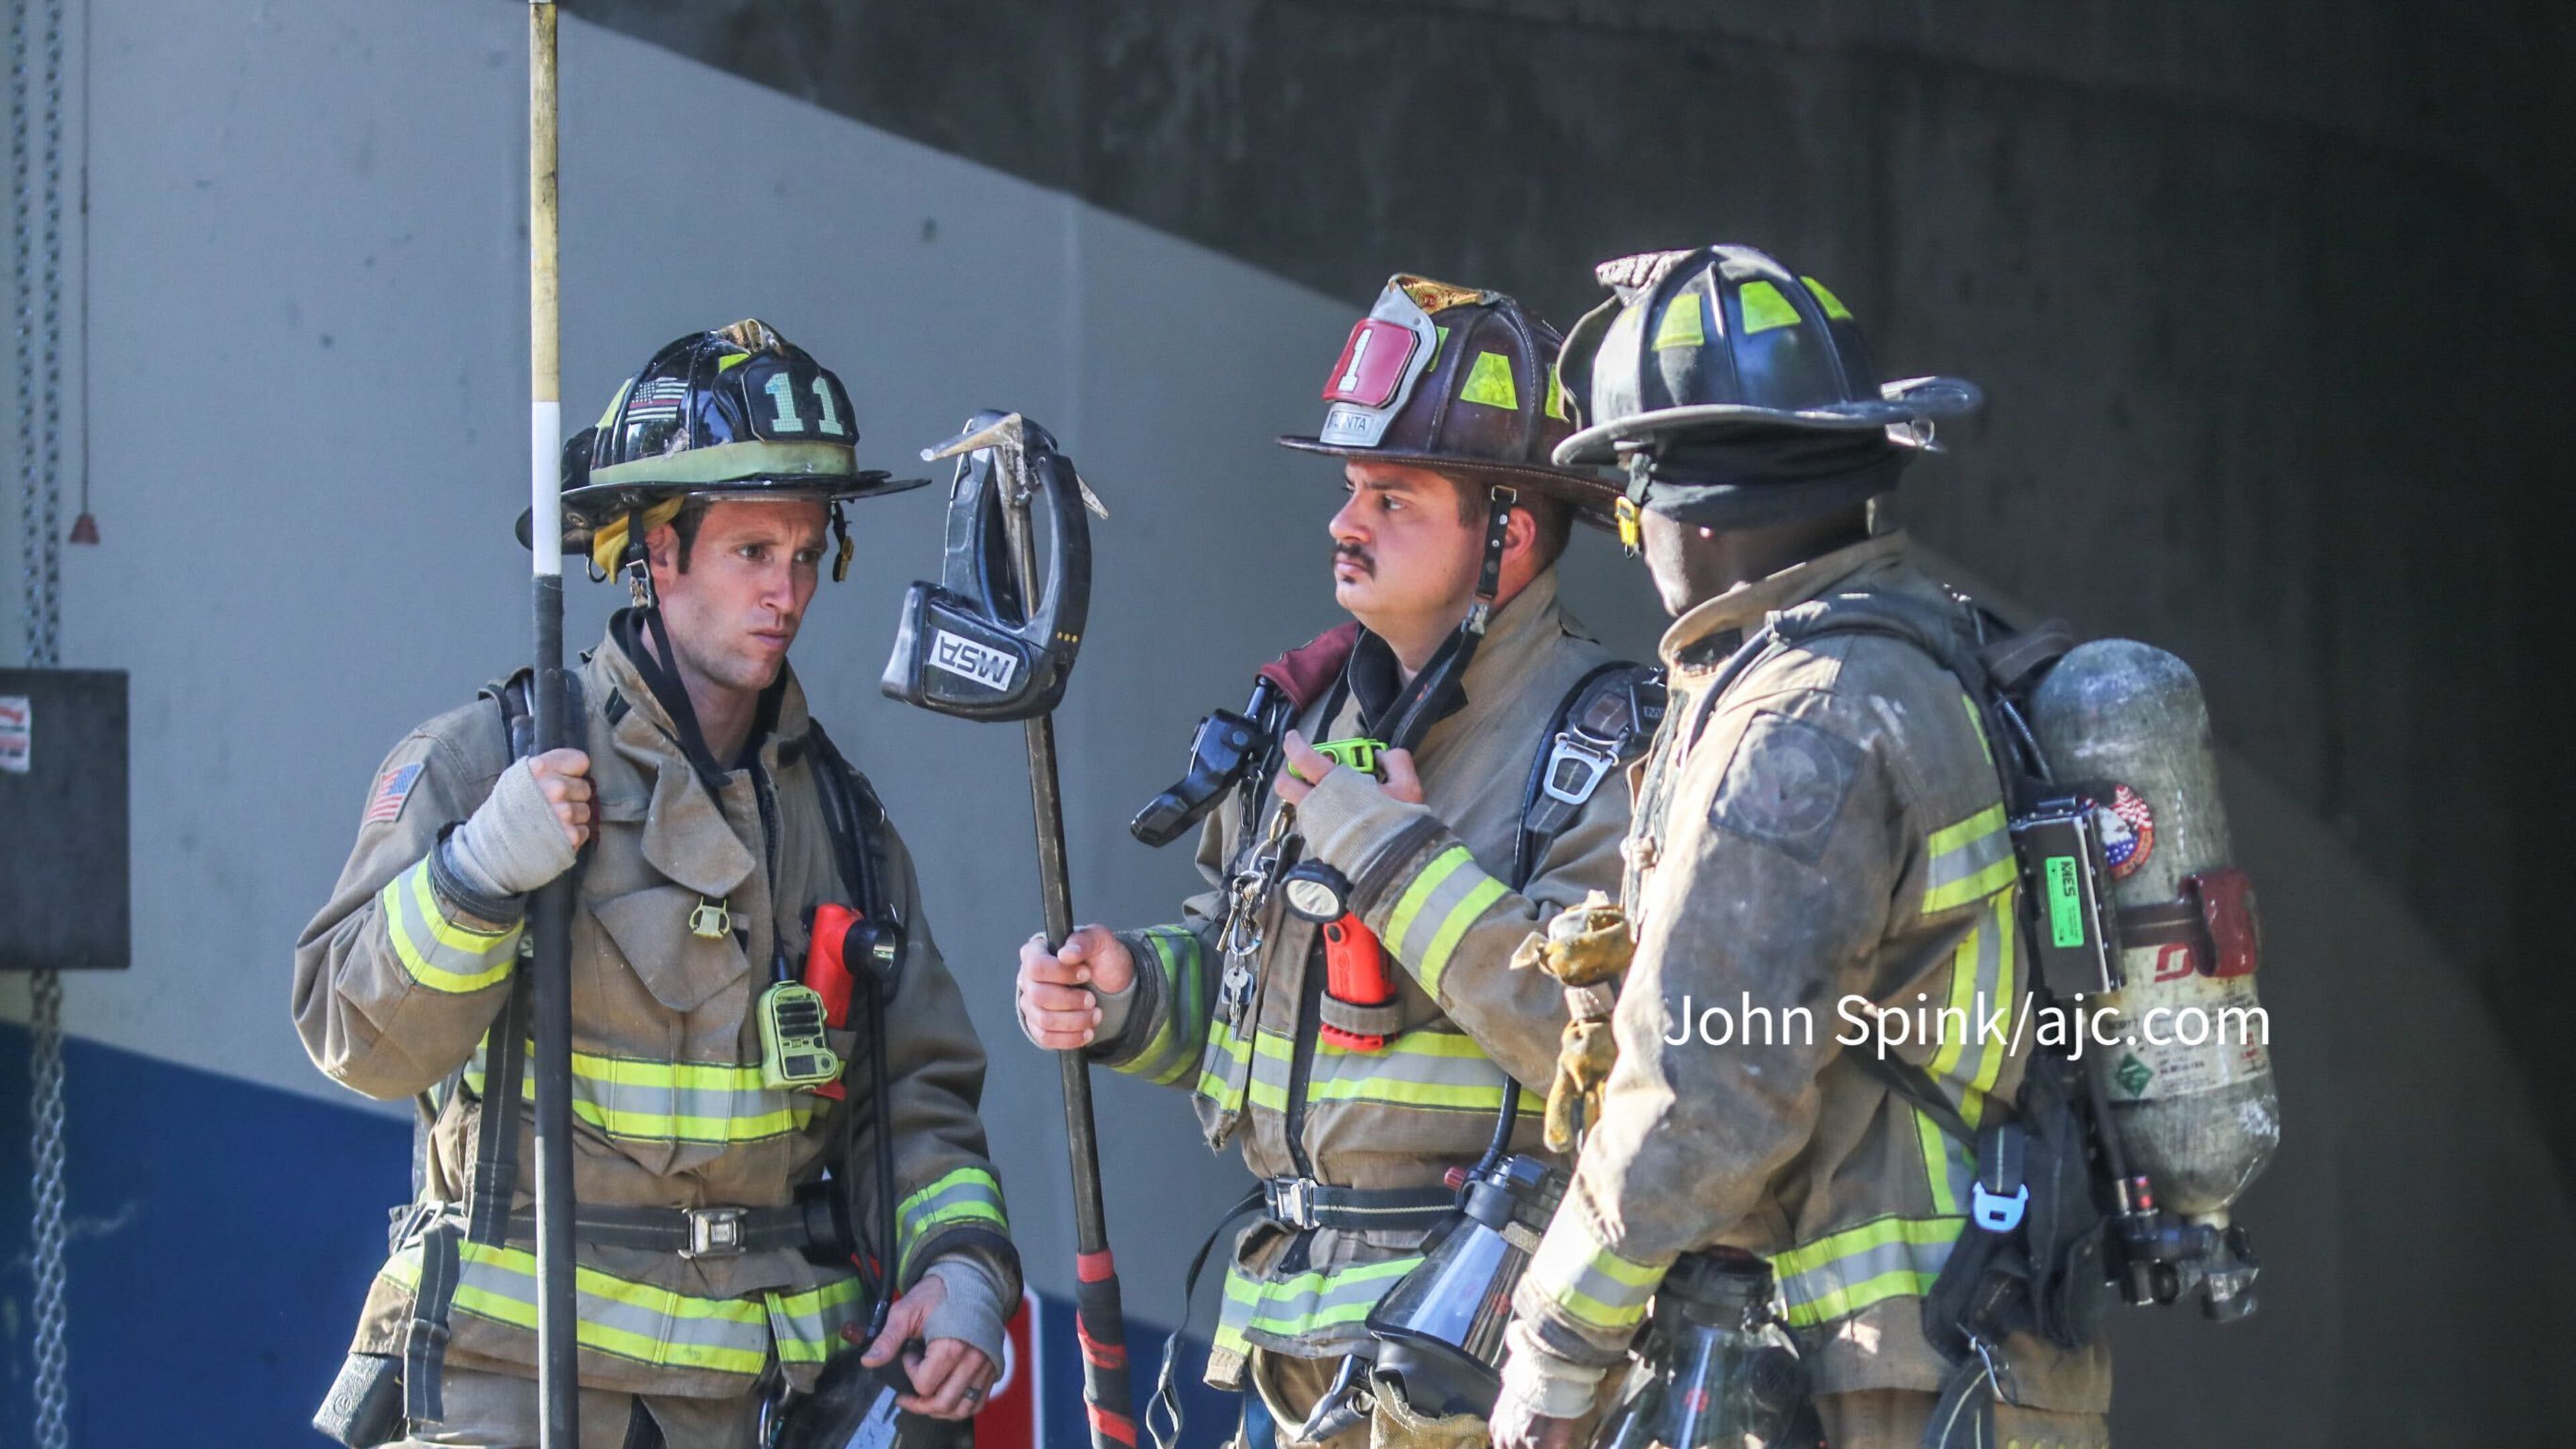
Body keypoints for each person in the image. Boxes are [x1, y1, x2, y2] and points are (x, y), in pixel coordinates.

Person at [294, 321, 1018, 1448]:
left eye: (806, 553)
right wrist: (476, 878)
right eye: (749, 552)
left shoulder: (843, 827)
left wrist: (959, 1262)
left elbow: (911, 1096)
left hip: (751, 1408)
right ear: (658, 555)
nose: (787, 591)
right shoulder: (488, 765)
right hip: (514, 1394)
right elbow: (354, 1036)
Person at [1016, 277, 1652, 1448]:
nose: (1342, 522)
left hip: (1482, 1365)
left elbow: (1604, 1061)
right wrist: (1133, 993)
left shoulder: (1610, 747)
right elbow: (1251, 1002)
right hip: (1295, 1359)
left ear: (1506, 532)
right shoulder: (1307, 725)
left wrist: (1393, 856)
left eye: (1393, 496)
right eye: (1351, 488)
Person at [1495, 247, 2112, 1449]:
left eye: (1630, 505)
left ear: (1685, 508)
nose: (1634, 542)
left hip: (1887, 1380)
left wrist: (1556, 1349)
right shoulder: (1918, 656)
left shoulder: (1800, 717)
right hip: (1978, 1359)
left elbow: (1708, 1090)